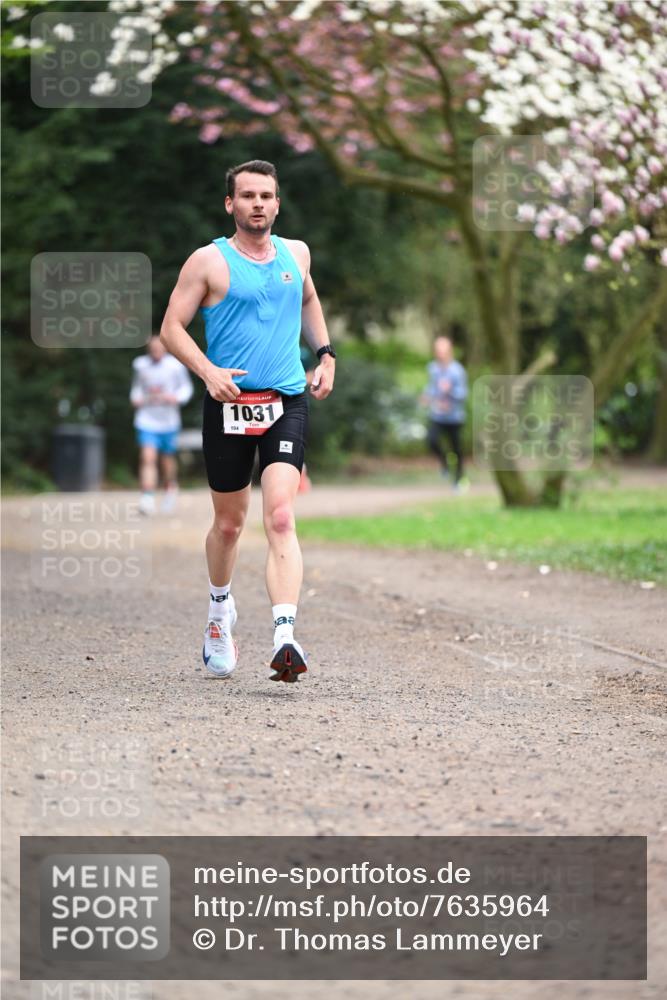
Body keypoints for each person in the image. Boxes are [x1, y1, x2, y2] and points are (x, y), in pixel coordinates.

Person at [159, 159, 335, 683]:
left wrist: (324, 354)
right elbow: (171, 328)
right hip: (229, 404)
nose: (258, 203)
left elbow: (307, 297)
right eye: (248, 195)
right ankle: (219, 614)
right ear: (230, 204)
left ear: (278, 203)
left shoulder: (296, 254)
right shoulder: (207, 262)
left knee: (281, 516)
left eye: (267, 195)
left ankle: (285, 636)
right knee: (230, 524)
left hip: (285, 400)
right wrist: (208, 371)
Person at [130, 334, 193, 514]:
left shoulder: (175, 366)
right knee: (147, 457)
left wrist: (176, 398)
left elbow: (186, 389)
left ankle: (170, 488)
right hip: (146, 419)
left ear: (165, 348)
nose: (156, 352)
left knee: (167, 460)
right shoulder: (140, 364)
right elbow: (136, 388)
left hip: (169, 421)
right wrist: (135, 399)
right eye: (153, 349)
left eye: (159, 348)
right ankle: (147, 497)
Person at [423, 336, 468, 489]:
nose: (440, 354)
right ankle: (444, 463)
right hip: (438, 415)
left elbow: (463, 394)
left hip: (455, 417)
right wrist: (427, 396)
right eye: (438, 351)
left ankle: (458, 480)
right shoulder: (433, 368)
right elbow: (432, 388)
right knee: (431, 440)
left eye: (443, 351)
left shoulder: (457, 370)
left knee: (456, 449)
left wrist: (450, 391)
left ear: (449, 351)